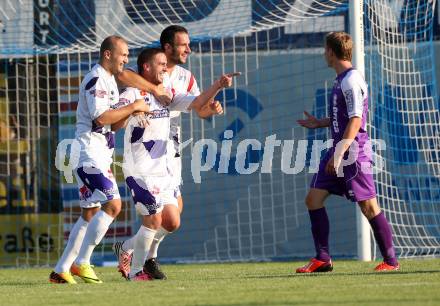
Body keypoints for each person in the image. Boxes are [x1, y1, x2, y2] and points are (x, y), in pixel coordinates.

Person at [114, 25, 223, 280]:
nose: (188, 49)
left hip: (168, 152)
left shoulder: (182, 80)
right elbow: (118, 106)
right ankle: (144, 264)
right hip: (142, 163)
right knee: (154, 218)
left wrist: (215, 97)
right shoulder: (139, 82)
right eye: (183, 44)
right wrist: (137, 106)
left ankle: (131, 249)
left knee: (172, 220)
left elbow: (199, 107)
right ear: (166, 48)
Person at [49, 35, 149, 284]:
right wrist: (134, 105)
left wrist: (132, 111)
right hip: (89, 154)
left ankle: (61, 269)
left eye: (127, 55)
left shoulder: (111, 82)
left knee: (90, 213)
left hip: (100, 155)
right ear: (108, 54)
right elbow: (102, 118)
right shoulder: (97, 80)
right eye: (123, 54)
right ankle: (82, 263)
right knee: (114, 206)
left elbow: (113, 125)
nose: (126, 59)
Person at [296, 31, 399, 273]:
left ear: (331, 52)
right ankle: (322, 258)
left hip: (352, 153)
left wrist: (340, 152)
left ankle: (391, 261)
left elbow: (355, 120)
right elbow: (342, 117)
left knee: (369, 207)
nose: (324, 54)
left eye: (325, 50)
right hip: (339, 149)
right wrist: (321, 123)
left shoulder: (351, 80)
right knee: (313, 199)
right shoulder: (341, 79)